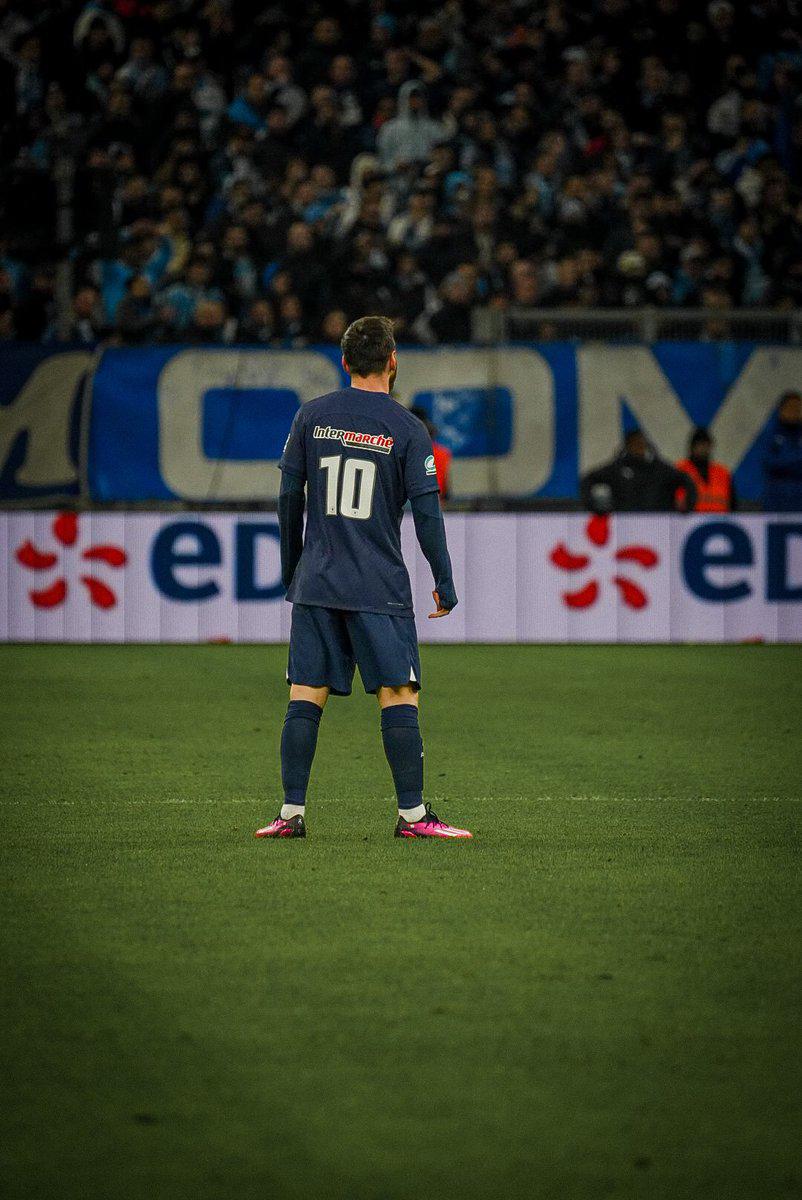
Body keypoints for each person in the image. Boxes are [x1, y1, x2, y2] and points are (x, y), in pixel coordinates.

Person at [255, 315, 471, 841]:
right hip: (378, 584)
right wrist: (443, 578)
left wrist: (292, 567)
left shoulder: (310, 417)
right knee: (399, 695)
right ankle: (414, 818)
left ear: (345, 362)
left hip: (319, 581)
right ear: (393, 362)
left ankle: (290, 813)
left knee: (305, 695)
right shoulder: (407, 429)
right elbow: (427, 515)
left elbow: (288, 500)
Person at [581, 428, 698, 513]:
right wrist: (596, 508)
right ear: (628, 447)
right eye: (635, 444)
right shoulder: (618, 468)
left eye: (641, 444)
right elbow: (588, 479)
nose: (639, 448)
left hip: (659, 526)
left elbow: (686, 481)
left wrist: (687, 507)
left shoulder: (660, 469)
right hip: (625, 527)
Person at [676, 427, 735, 512]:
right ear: (692, 447)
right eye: (699, 445)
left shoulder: (723, 473)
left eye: (706, 445)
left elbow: (733, 505)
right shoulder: (680, 470)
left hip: (719, 521)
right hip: (689, 522)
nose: (703, 449)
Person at [763, 391, 802, 512]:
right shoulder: (770, 435)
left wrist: (786, 462)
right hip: (777, 498)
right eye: (791, 407)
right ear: (781, 410)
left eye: (798, 408)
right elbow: (770, 463)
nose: (794, 411)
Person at [410, 405, 452, 500]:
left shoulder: (412, 452)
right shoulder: (443, 453)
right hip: (436, 498)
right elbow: (445, 483)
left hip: (417, 498)